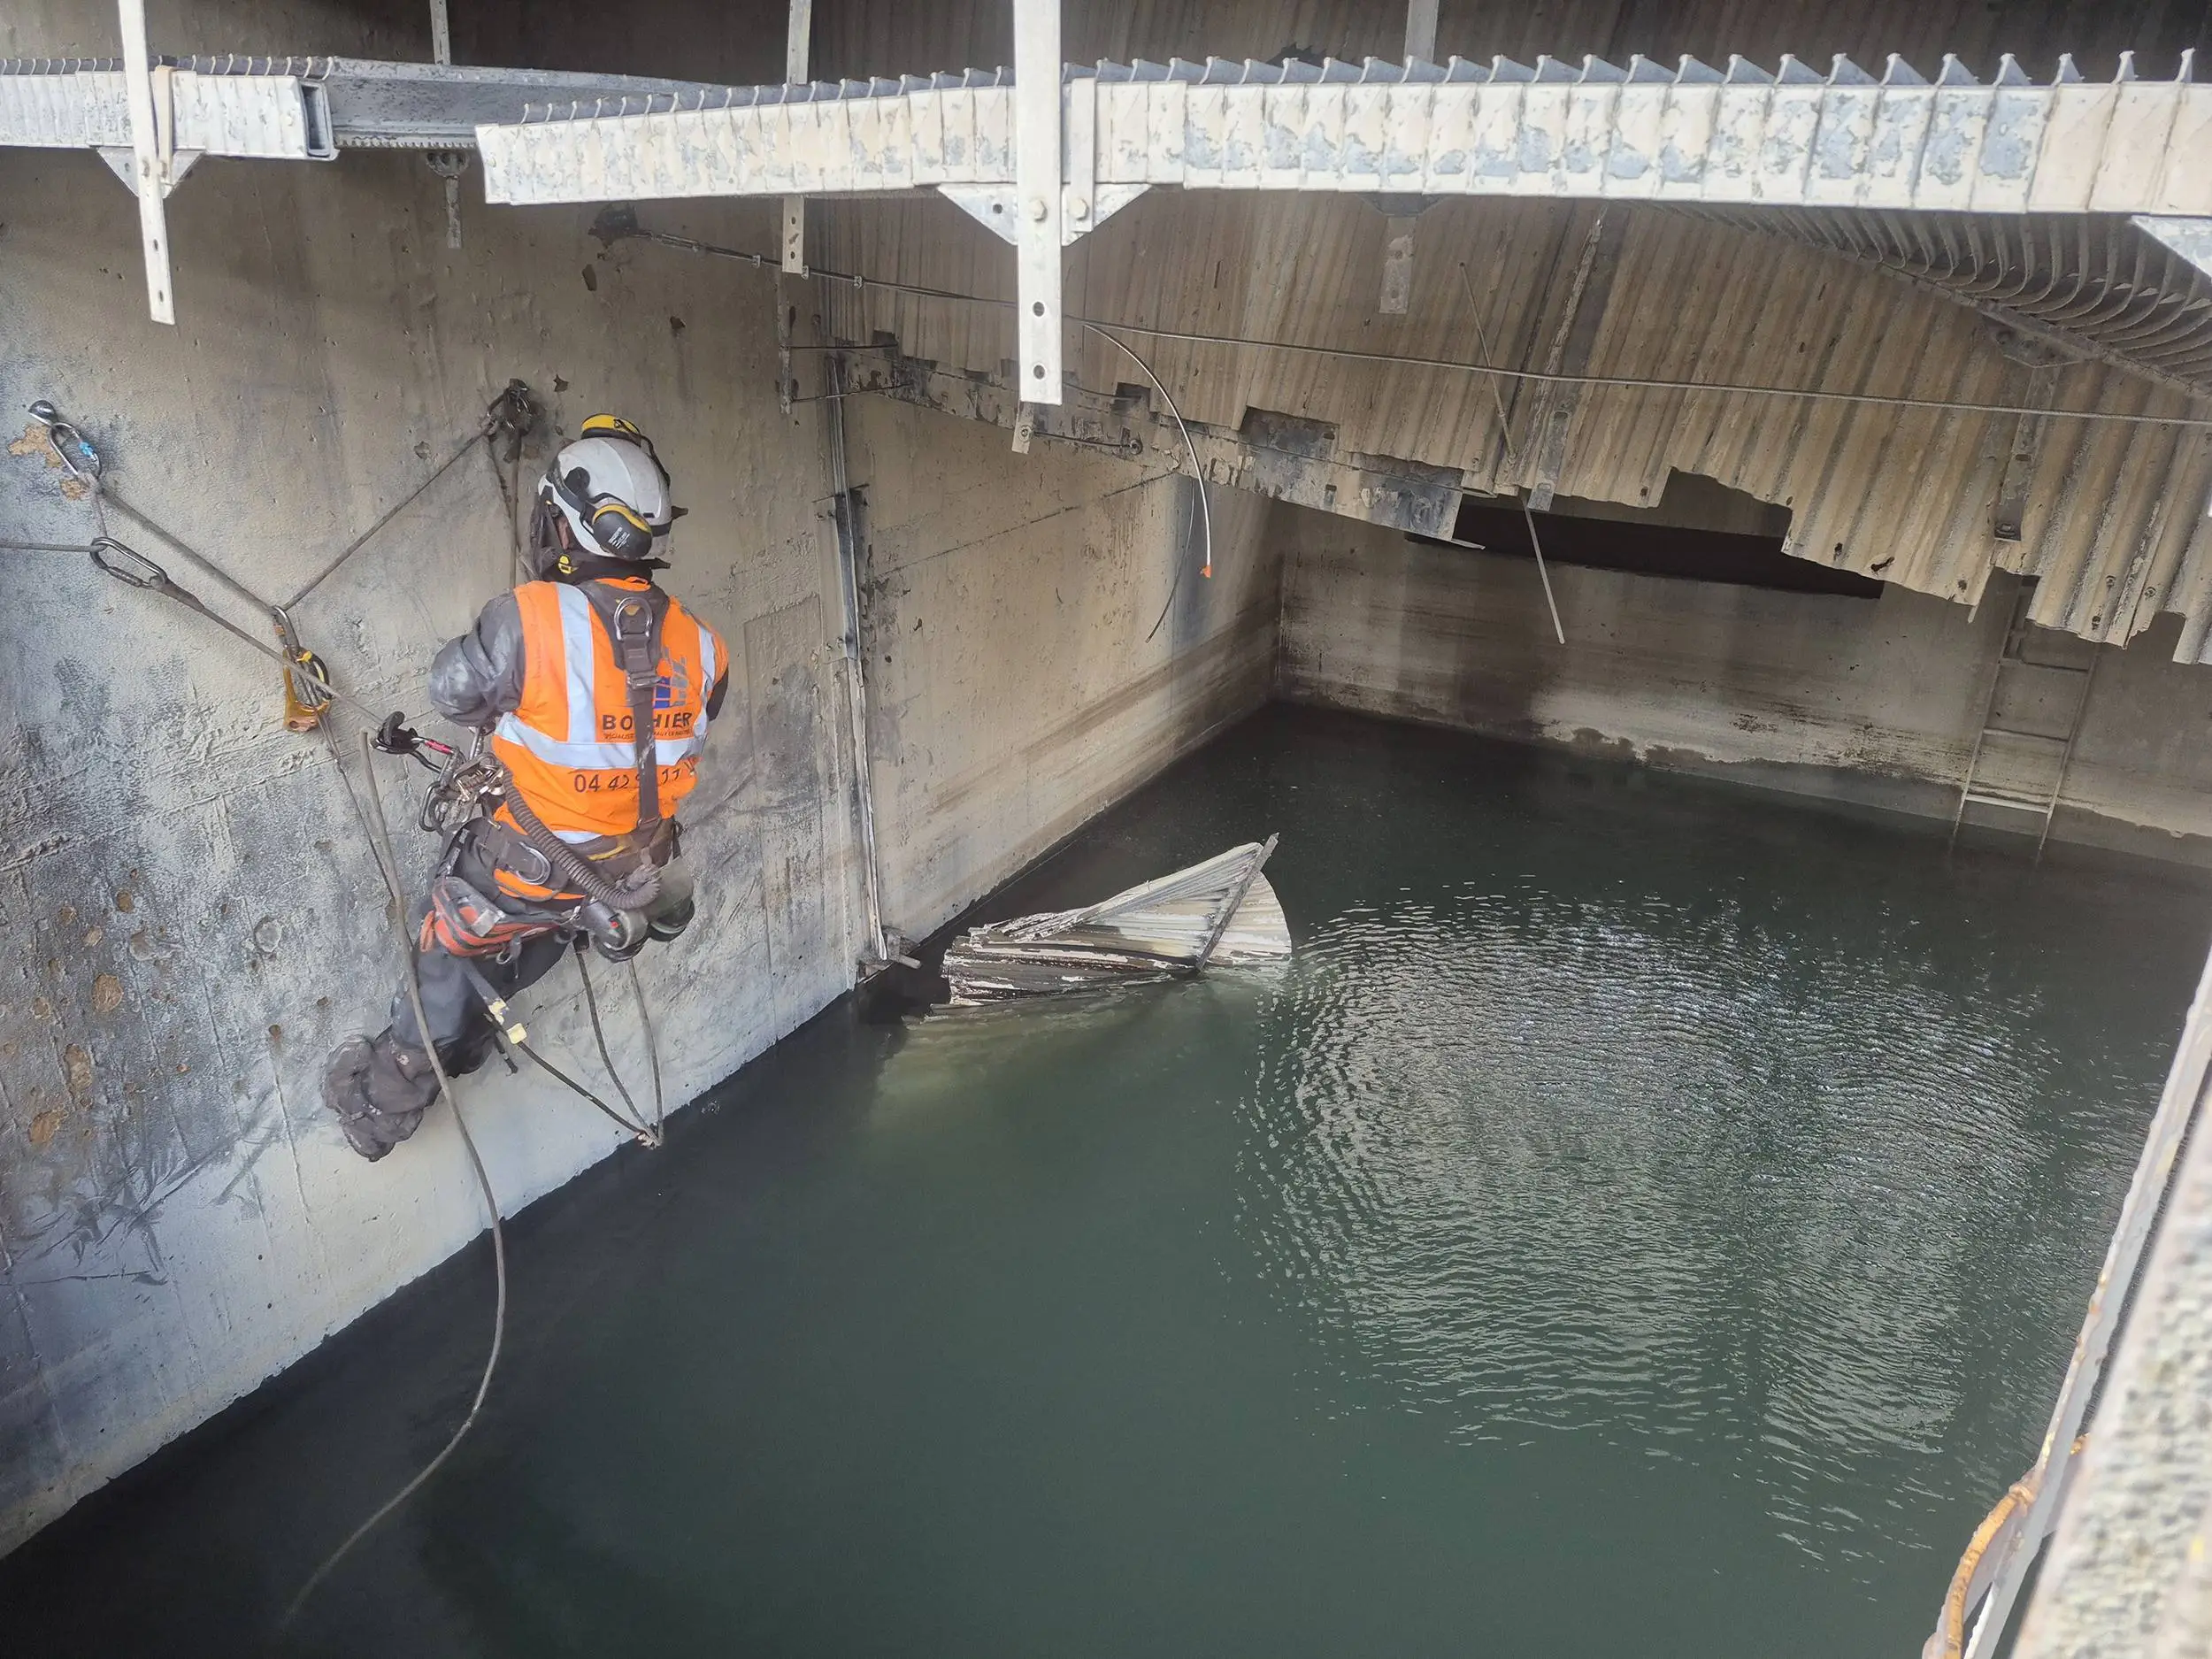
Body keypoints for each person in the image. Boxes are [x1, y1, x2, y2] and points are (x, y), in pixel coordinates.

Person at [323, 414, 729, 1160]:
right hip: (627, 869)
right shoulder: (703, 643)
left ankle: (388, 1098)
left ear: (567, 524)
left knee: (446, 940)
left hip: (535, 864)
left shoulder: (530, 618)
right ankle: (490, 1007)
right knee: (543, 919)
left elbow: (454, 693)